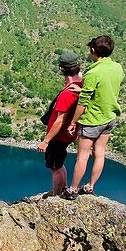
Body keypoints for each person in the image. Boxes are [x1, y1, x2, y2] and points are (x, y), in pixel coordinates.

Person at [62, 35, 123, 200]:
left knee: (83, 155)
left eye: (90, 49)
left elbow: (83, 102)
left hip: (92, 120)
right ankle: (89, 186)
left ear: (94, 51)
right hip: (109, 117)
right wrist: (84, 90)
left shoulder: (93, 72)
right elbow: (106, 89)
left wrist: (73, 122)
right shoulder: (117, 68)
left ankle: (72, 190)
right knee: (100, 153)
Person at [36, 52, 83, 197]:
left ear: (61, 69)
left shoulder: (67, 94)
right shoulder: (81, 84)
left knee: (54, 167)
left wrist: (45, 141)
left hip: (58, 137)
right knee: (59, 164)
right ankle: (63, 188)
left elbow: (59, 120)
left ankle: (56, 196)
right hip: (67, 136)